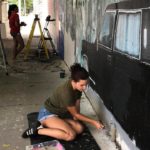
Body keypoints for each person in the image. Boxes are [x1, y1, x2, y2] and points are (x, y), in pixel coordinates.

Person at [22, 63, 104, 141]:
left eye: (86, 84)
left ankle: (51, 126)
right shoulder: (66, 93)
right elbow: (75, 114)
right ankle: (37, 130)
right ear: (74, 81)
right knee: (71, 135)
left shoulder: (78, 88)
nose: (84, 87)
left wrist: (76, 119)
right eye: (82, 85)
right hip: (47, 114)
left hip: (59, 114)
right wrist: (94, 122)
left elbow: (77, 109)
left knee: (79, 129)